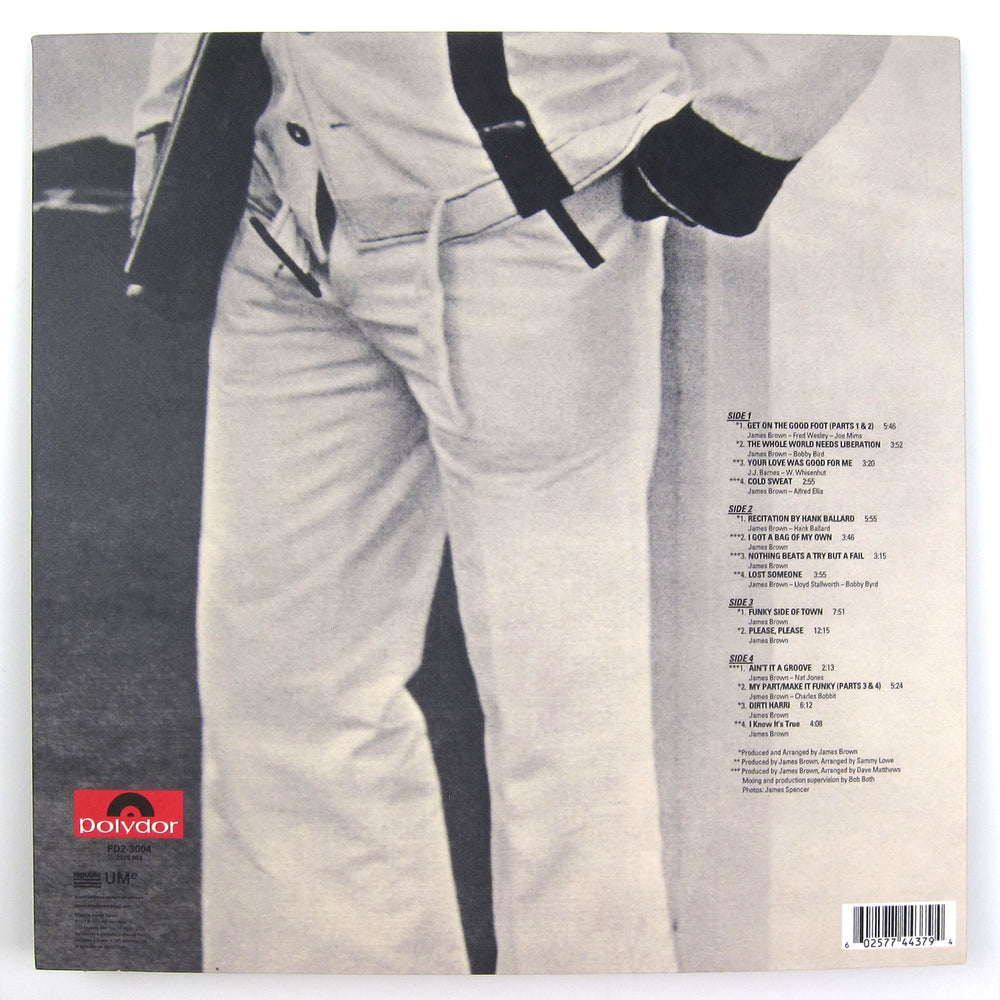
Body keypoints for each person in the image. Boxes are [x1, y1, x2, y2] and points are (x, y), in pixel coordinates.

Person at [133, 31, 888, 974]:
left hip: (523, 222)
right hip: (283, 219)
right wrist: (170, 111)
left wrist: (730, 140)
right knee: (282, 687)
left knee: (561, 723)